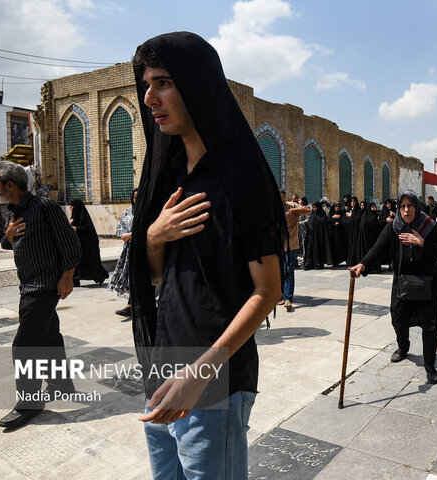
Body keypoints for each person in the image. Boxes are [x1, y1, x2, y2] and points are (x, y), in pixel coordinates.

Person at [129, 32, 284, 479]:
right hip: (163, 366)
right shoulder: (173, 176)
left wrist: (201, 373)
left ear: (197, 85)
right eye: (146, 84)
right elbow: (158, 278)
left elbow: (267, 290)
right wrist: (155, 237)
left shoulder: (241, 177)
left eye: (163, 83)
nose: (149, 97)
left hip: (213, 379)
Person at [0, 160, 81, 429]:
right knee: (50, 336)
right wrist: (7, 236)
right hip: (28, 284)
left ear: (10, 184)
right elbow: (8, 243)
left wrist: (67, 276)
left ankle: (30, 403)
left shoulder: (44, 207)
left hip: (43, 287)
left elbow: (71, 244)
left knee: (24, 345)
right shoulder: (14, 212)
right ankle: (61, 383)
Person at [350, 191, 437, 384]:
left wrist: (422, 242)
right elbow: (377, 248)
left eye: (409, 206)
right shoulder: (393, 228)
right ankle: (403, 347)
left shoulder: (429, 227)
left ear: (416, 207)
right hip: (402, 281)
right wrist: (362, 264)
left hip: (428, 282)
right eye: (402, 206)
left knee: (430, 324)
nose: (405, 210)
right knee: (398, 316)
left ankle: (429, 364)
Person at [109, 188, 138, 317]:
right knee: (130, 278)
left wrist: (132, 235)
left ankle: (134, 306)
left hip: (145, 250)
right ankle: (130, 306)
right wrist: (129, 236)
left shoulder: (149, 211)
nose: (136, 199)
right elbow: (121, 232)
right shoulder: (128, 212)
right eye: (134, 197)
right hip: (129, 251)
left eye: (138, 196)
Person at [280, 190, 310, 310]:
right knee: (279, 272)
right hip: (277, 246)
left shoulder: (291, 206)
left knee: (288, 271)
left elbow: (308, 210)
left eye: (282, 201)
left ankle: (288, 298)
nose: (281, 203)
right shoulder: (272, 207)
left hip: (290, 245)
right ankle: (281, 295)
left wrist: (292, 210)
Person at [69, 199, 108, 286]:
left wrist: (76, 229)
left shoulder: (84, 217)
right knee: (78, 263)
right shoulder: (74, 217)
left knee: (91, 262)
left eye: (71, 205)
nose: (70, 208)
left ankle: (100, 276)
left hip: (89, 245)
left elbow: (88, 229)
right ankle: (75, 280)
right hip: (79, 245)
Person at [303, 201, 333, 270]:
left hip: (319, 236)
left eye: (315, 207)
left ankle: (319, 264)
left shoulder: (322, 214)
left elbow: (323, 224)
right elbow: (310, 223)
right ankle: (309, 263)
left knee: (319, 249)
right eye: (313, 207)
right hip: (311, 236)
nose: (314, 209)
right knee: (310, 248)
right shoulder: (312, 214)